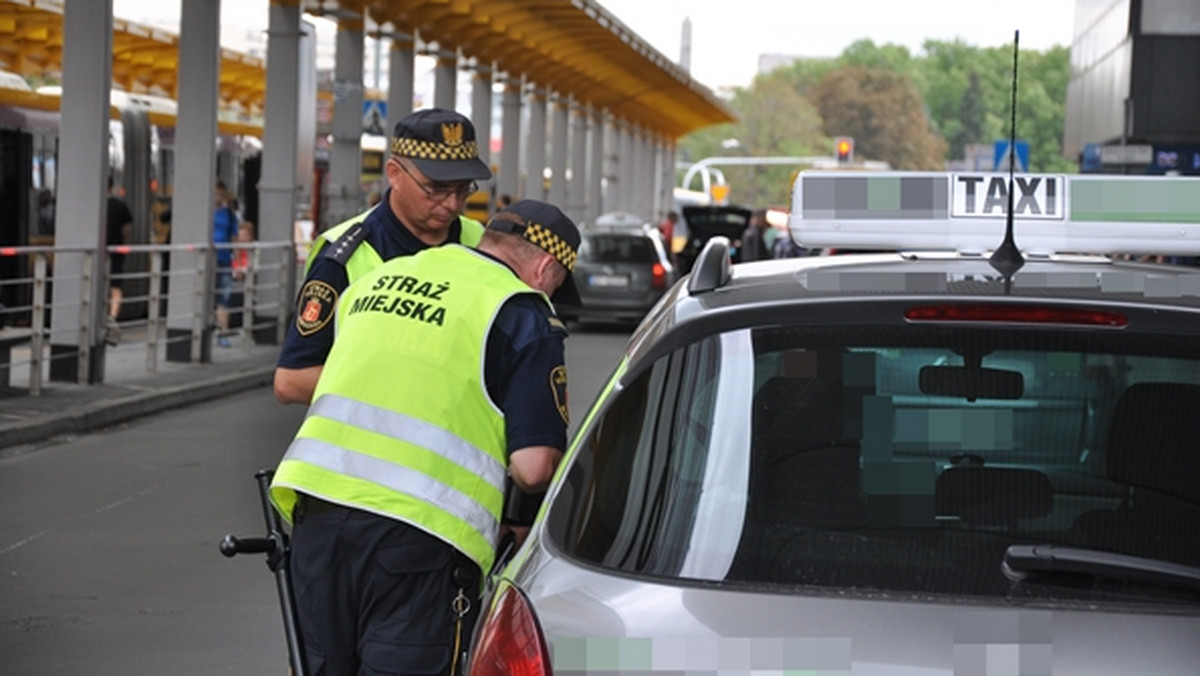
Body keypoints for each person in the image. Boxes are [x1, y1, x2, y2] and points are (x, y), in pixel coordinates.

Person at [269, 198, 581, 675]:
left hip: (318, 515)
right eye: (558, 284)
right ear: (544, 268)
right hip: (422, 533)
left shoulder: (379, 279)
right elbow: (533, 466)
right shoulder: (522, 311)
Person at [274, 108, 493, 405]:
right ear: (394, 174)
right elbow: (292, 380)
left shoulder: (481, 243)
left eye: (463, 189)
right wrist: (412, 392)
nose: (452, 203)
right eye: (436, 189)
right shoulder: (343, 256)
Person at [105, 175, 133, 346]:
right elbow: (126, 229)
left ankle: (98, 316)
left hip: (96, 253)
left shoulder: (92, 206)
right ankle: (112, 317)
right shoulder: (120, 206)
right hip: (116, 251)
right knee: (116, 287)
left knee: (97, 284)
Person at [212, 179, 239, 348]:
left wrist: (236, 260)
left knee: (224, 297)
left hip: (223, 259)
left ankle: (223, 332)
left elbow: (234, 238)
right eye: (215, 194)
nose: (218, 197)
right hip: (206, 260)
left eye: (221, 194)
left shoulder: (229, 214)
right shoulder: (202, 211)